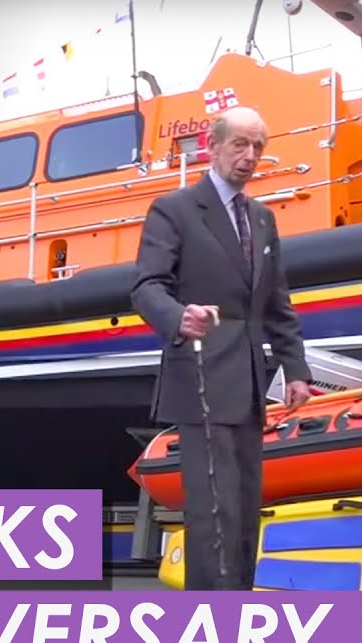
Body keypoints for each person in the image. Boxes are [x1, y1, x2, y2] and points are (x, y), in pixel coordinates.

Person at [130, 106, 312, 591]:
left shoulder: (263, 219)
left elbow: (276, 301)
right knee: (213, 508)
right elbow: (146, 286)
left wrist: (295, 368)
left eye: (259, 147)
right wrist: (177, 317)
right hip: (201, 374)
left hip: (250, 382)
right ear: (212, 147)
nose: (250, 156)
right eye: (240, 145)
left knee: (245, 504)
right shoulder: (175, 209)